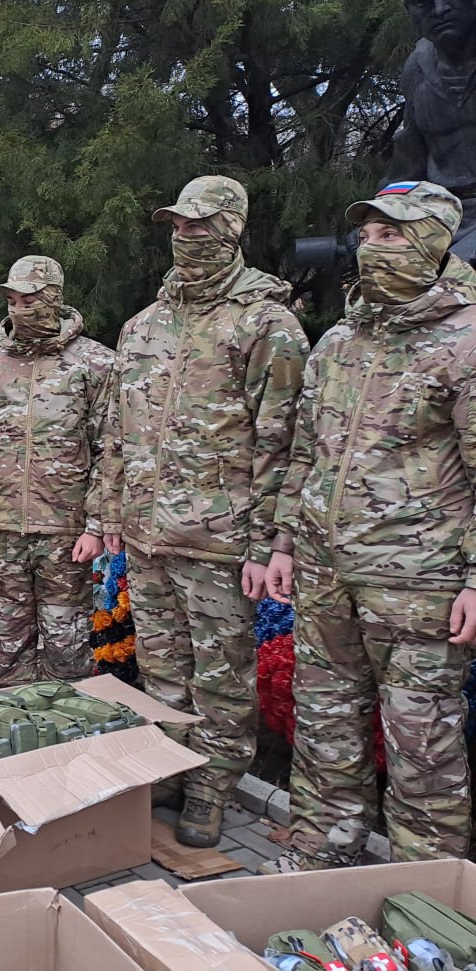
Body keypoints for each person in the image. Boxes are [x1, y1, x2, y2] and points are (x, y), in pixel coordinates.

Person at [263, 181, 476, 873]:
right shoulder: (339, 341)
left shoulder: (465, 342)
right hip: (325, 573)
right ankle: (319, 859)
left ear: (432, 244)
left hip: (418, 582)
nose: (372, 248)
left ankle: (427, 895)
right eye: (368, 235)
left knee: (422, 743)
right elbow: (305, 452)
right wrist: (285, 542)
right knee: (324, 721)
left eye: (392, 234)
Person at [102, 176, 308, 847]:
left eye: (199, 225)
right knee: (161, 666)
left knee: (221, 676)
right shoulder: (143, 326)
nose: (185, 237)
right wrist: (111, 514)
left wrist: (269, 544)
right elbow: (117, 430)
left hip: (221, 539)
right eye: (178, 226)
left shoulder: (267, 325)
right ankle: (169, 767)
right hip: (148, 535)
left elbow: (283, 442)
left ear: (232, 229)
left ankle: (212, 786)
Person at [0, 255, 115, 683]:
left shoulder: (95, 364)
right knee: (7, 643)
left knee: (68, 645)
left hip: (66, 533)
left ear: (53, 298)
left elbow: (108, 450)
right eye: (11, 300)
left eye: (29, 300)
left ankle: (69, 719)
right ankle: (12, 716)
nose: (18, 309)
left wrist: (96, 525)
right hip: (1, 532)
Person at [388, 0, 476, 259]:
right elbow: (409, 158)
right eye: (423, 3)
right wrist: (382, 213)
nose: (439, 10)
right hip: (443, 215)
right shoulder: (417, 67)